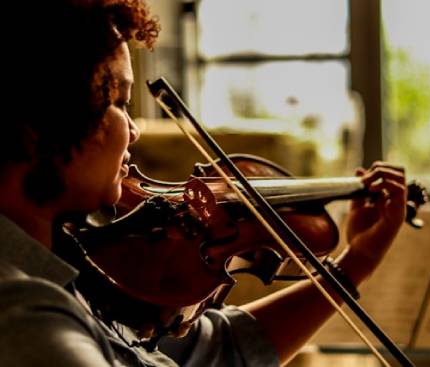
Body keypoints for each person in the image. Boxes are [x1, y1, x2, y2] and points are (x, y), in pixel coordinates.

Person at [0, 1, 408, 366]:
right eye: (119, 102)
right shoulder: (25, 315)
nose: (134, 132)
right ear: (42, 125)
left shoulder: (74, 278)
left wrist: (356, 263)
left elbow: (220, 350)